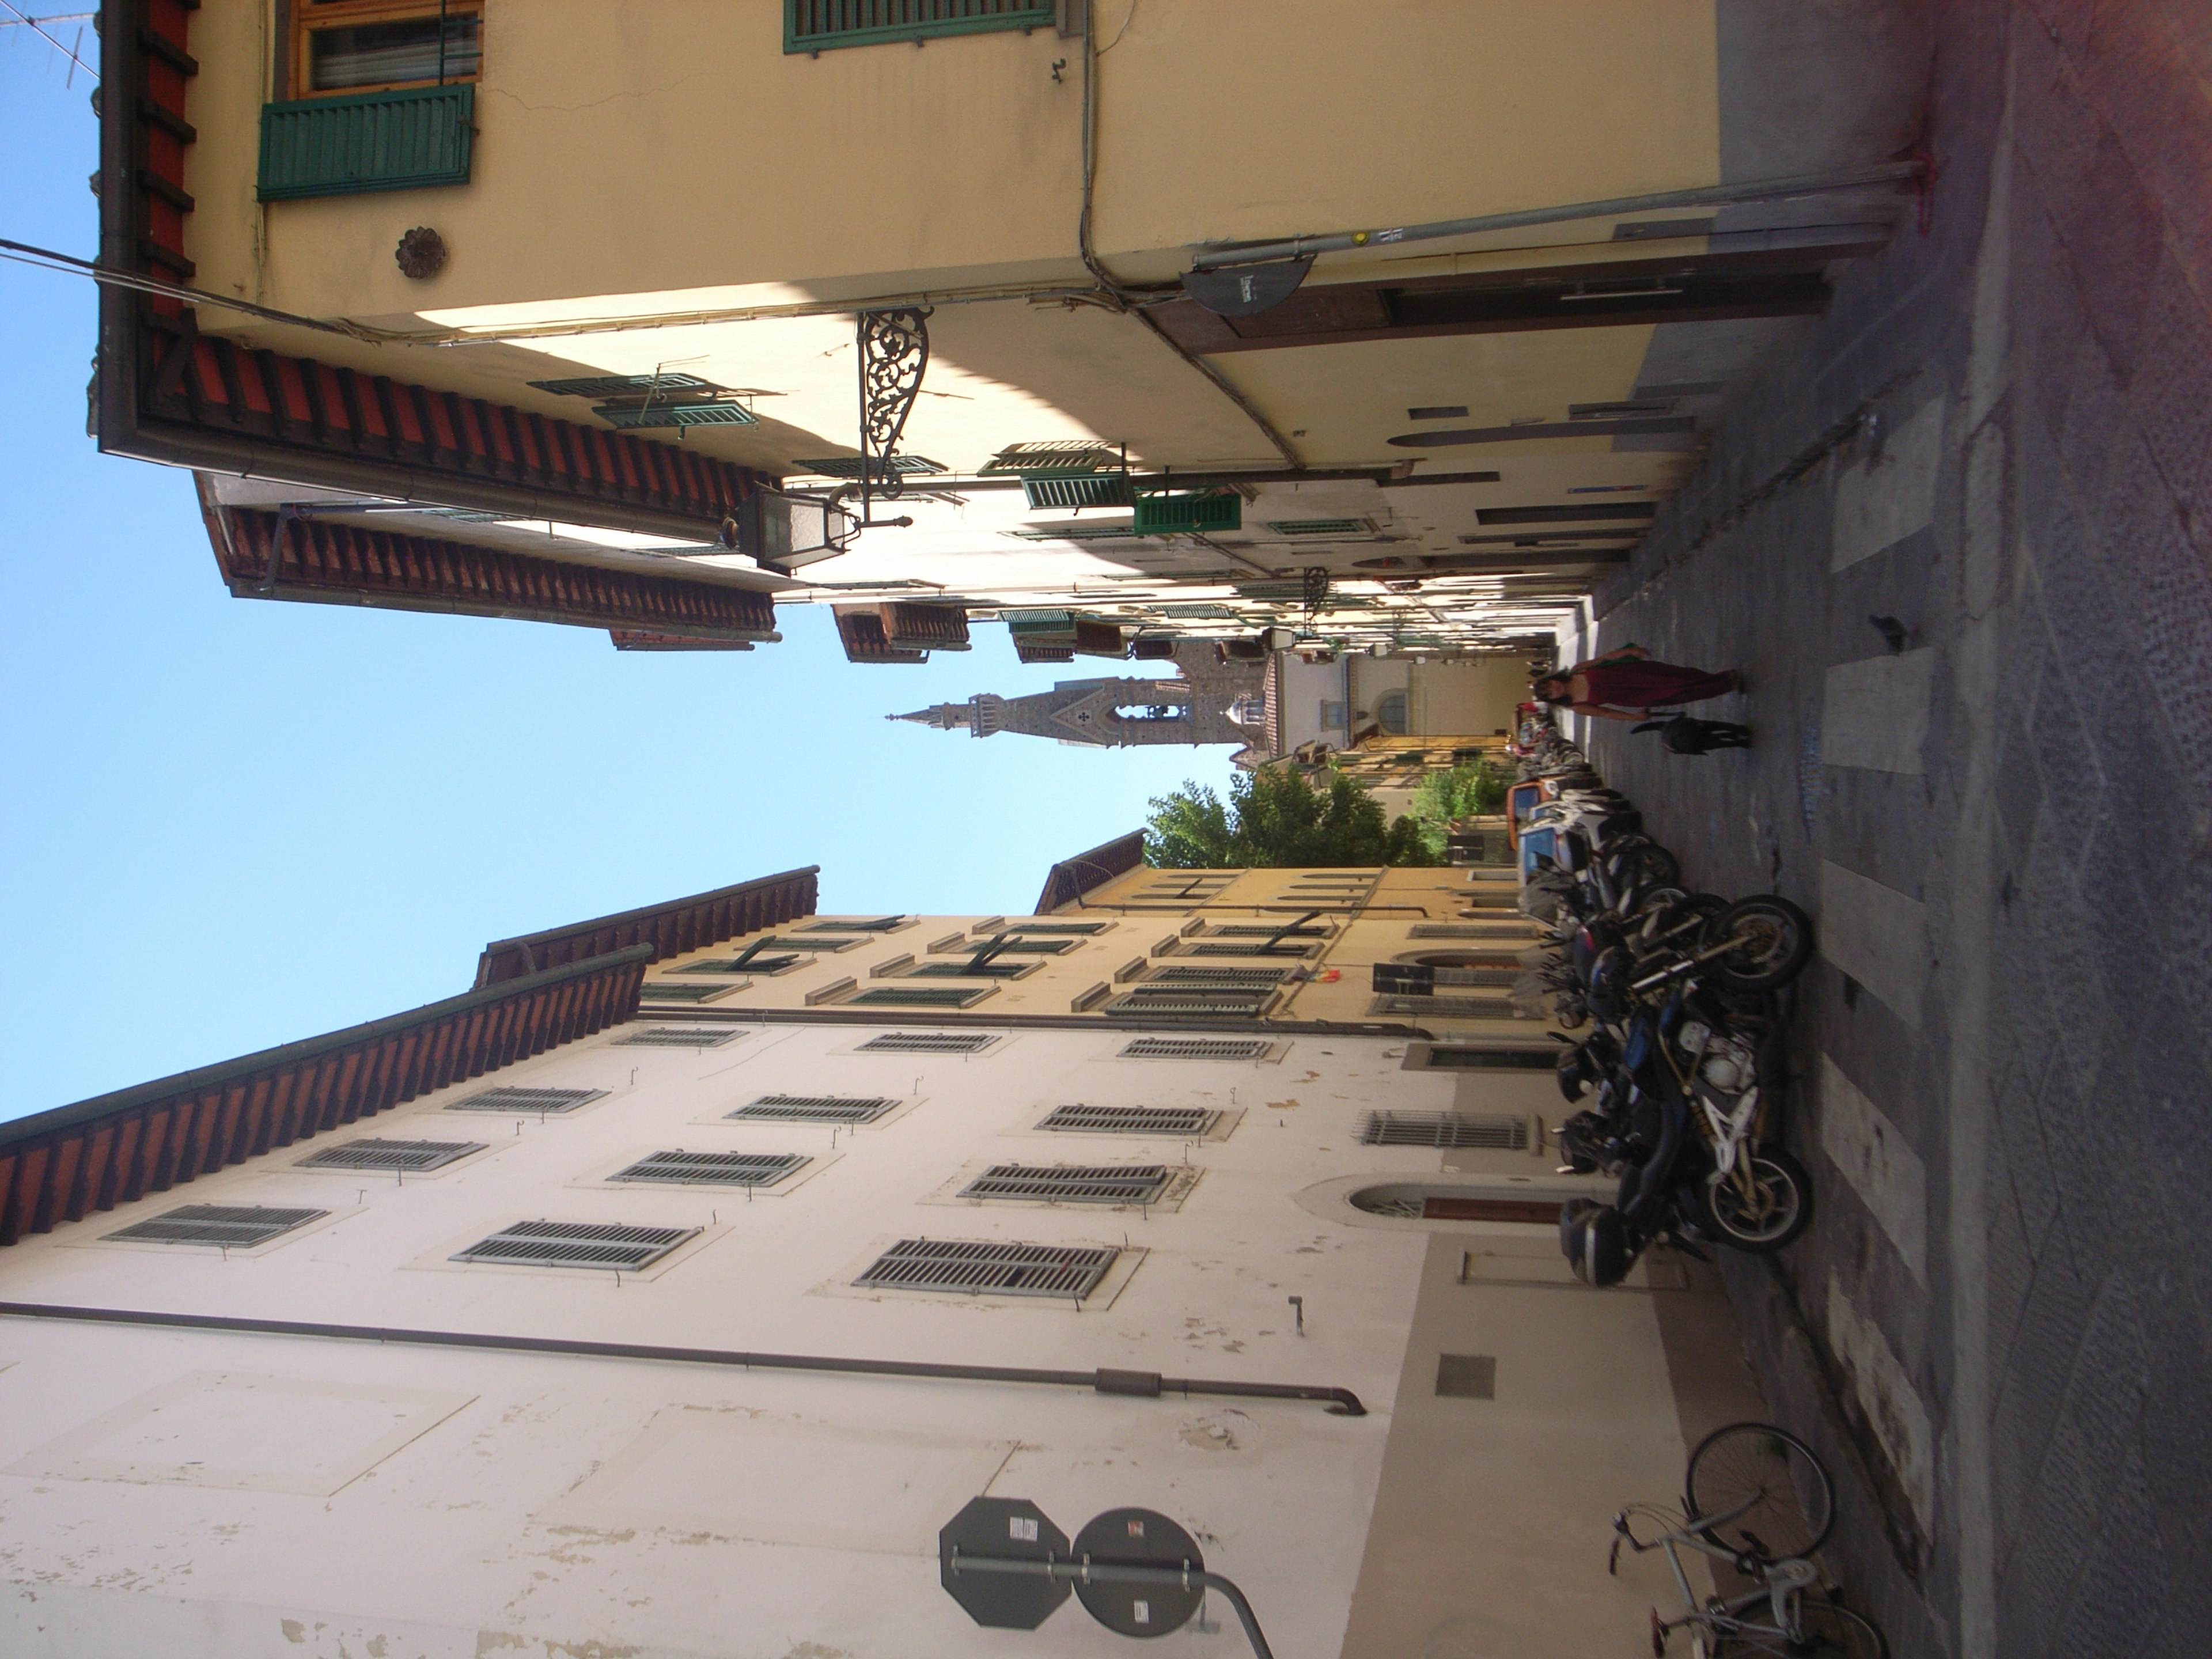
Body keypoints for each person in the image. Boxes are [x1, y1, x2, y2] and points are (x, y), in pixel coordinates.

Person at [1532, 644, 1743, 721]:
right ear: (1554, 699)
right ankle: (1726, 685)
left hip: (1638, 673)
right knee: (1680, 692)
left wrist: (1629, 652)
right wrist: (1634, 718)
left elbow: (1604, 659)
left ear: (1552, 678)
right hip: (1635, 696)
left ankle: (1721, 677)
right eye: (1549, 693)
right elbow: (1606, 713)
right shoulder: (1577, 707)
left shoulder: (1578, 670)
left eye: (1549, 684)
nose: (1553, 689)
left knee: (1681, 675)